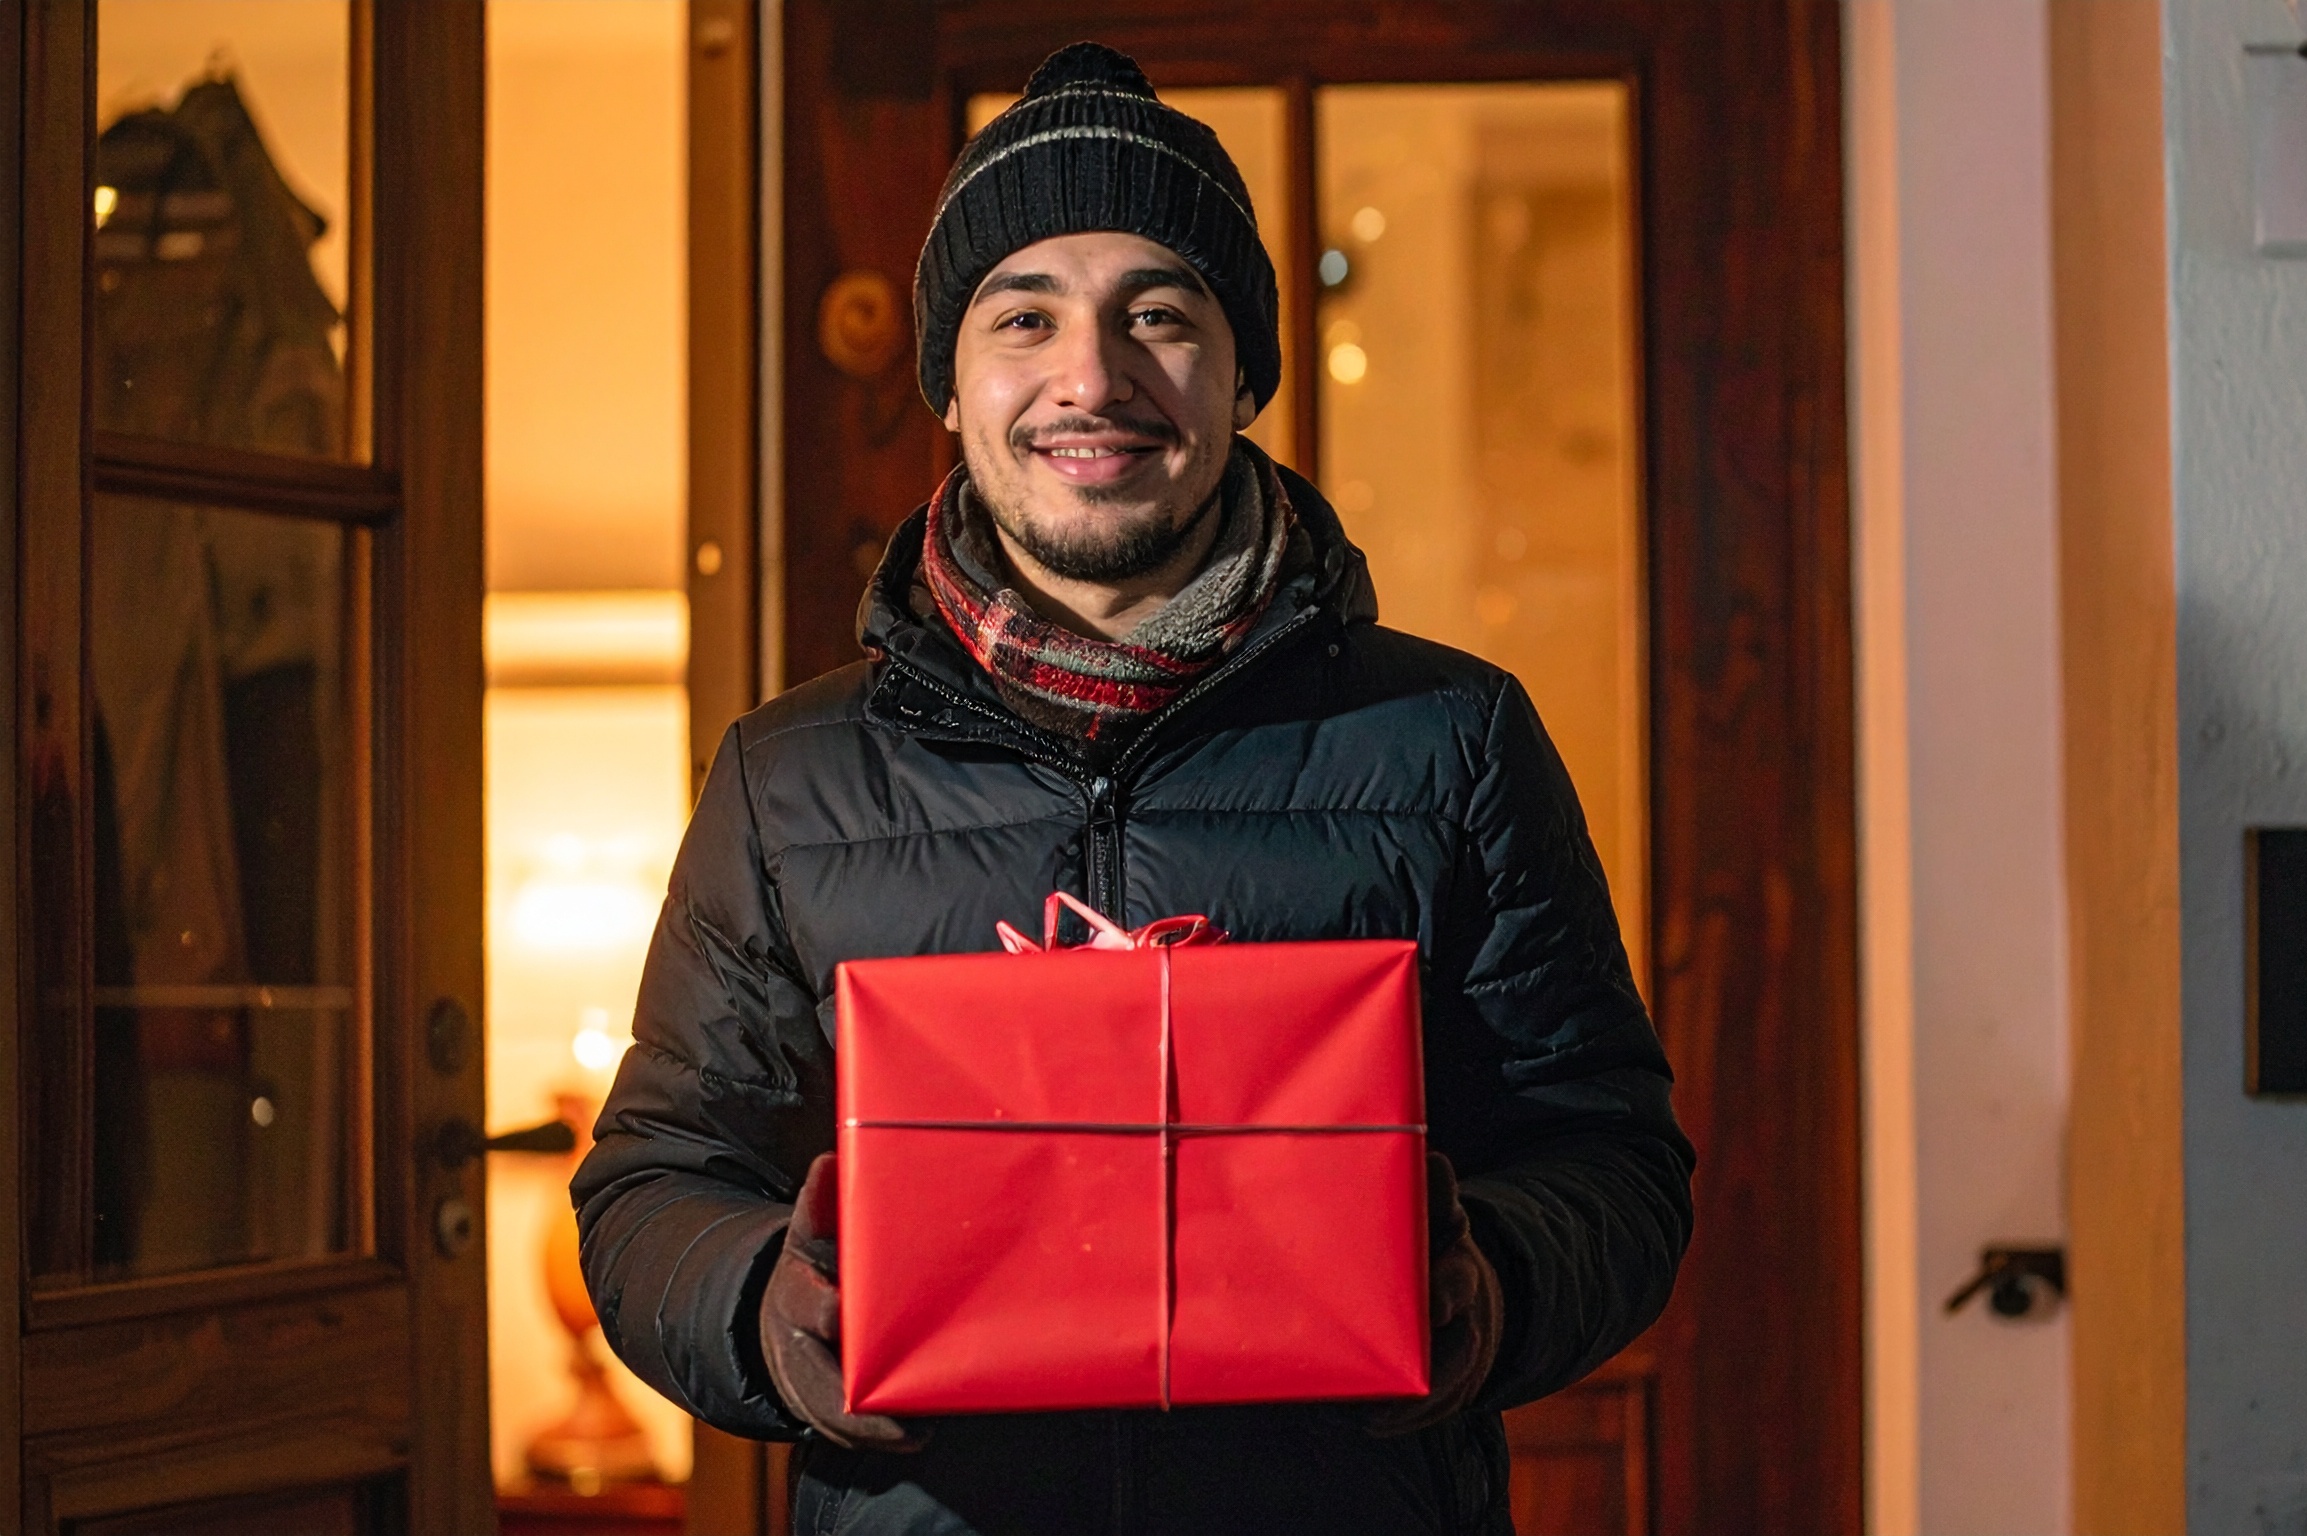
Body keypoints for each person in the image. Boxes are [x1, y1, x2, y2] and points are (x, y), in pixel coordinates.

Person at [574, 40, 1691, 1536]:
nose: (1090, 378)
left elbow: (1612, 1160)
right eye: (1023, 316)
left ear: (1242, 377)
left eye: (1157, 315)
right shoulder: (790, 779)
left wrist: (1485, 1288)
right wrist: (766, 1310)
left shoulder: (1454, 740)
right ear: (954, 389)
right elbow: (654, 1180)